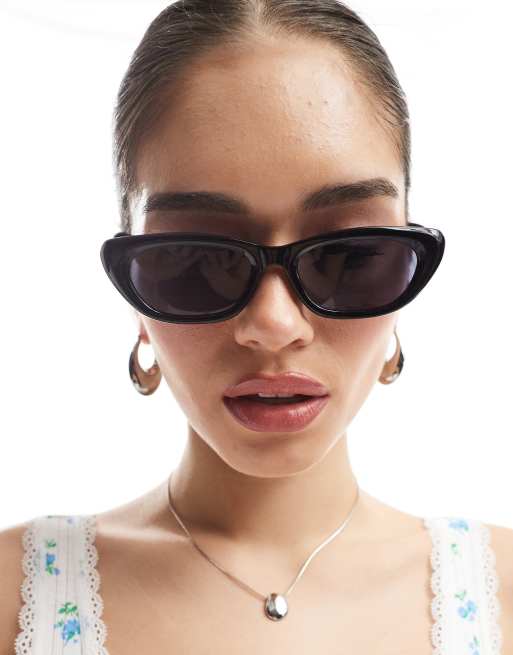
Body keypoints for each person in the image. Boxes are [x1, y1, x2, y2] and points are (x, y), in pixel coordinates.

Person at [1, 1, 512, 653]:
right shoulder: (16, 595)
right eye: (196, 259)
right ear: (134, 293)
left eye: (349, 255)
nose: (273, 325)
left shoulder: (502, 593)